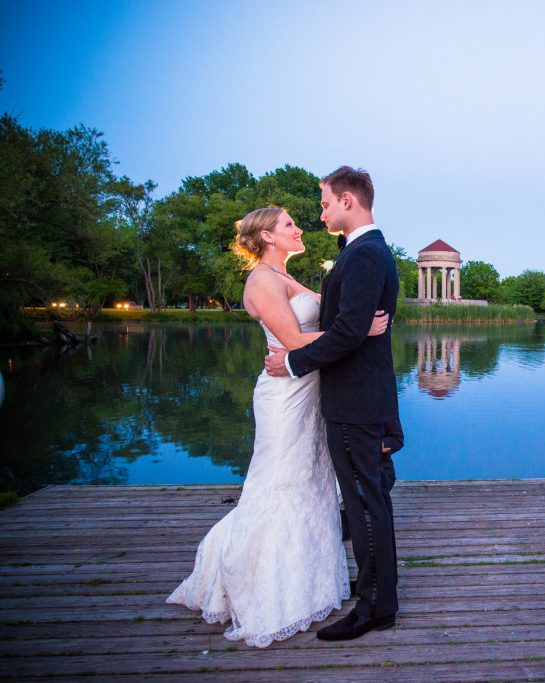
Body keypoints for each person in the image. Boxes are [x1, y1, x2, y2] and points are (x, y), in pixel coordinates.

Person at [166, 206, 389, 647]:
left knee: (309, 484)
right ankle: (260, 586)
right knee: (279, 483)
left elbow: (322, 326)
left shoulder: (287, 277)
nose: (299, 228)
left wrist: (351, 326)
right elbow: (291, 341)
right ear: (267, 236)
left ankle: (308, 583)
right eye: (289, 224)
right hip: (284, 397)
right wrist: (359, 331)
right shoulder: (261, 281)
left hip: (309, 394)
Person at [265, 166, 401, 642]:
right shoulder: (360, 251)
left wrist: (295, 362)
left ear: (347, 201)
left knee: (365, 503)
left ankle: (376, 605)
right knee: (366, 499)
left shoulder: (365, 255)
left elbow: (347, 334)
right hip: (361, 398)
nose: (320, 213)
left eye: (324, 204)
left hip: (354, 400)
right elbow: (352, 328)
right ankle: (376, 594)